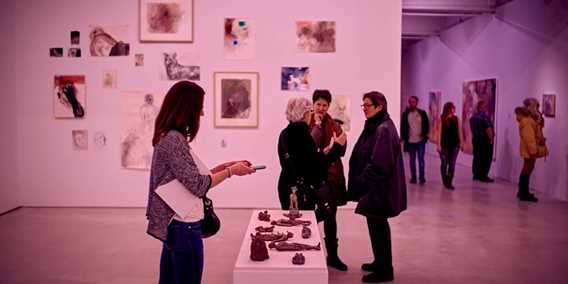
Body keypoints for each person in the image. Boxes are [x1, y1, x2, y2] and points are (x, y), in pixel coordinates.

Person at [146, 81, 256, 284]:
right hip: (184, 227)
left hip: (177, 225)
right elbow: (197, 185)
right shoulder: (173, 140)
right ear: (187, 109)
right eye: (199, 108)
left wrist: (226, 166)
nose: (202, 113)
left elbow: (189, 178)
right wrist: (231, 172)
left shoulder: (171, 137)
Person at [348, 91, 407, 283]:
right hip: (376, 189)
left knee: (379, 226)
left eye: (367, 105)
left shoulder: (384, 129)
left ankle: (385, 270)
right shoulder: (377, 125)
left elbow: (380, 165)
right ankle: (379, 262)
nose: (364, 109)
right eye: (363, 105)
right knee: (375, 225)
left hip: (380, 189)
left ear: (380, 106)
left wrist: (362, 182)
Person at [308, 89, 348, 271]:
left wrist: (340, 142)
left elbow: (342, 145)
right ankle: (306, 253)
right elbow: (309, 146)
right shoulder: (305, 121)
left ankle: (333, 256)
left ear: (329, 106)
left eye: (325, 105)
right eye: (318, 104)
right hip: (311, 177)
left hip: (331, 177)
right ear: (313, 103)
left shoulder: (333, 123)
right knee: (310, 213)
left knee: (331, 216)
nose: (321, 108)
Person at [514, 98, 549, 202]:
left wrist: (540, 120)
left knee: (528, 168)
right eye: (536, 106)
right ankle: (523, 192)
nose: (538, 108)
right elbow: (529, 137)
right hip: (529, 148)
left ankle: (523, 191)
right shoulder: (527, 121)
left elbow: (537, 131)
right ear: (531, 107)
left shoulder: (530, 119)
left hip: (530, 147)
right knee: (527, 168)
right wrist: (533, 150)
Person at [400, 96, 429, 184]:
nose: (412, 103)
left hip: (420, 140)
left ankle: (422, 177)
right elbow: (403, 127)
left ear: (417, 103)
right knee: (412, 160)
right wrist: (402, 138)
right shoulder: (406, 114)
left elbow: (427, 125)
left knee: (421, 160)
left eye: (414, 102)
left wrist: (425, 135)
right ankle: (413, 177)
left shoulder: (422, 113)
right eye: (411, 102)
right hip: (410, 141)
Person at [437, 102, 463, 190]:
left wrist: (461, 143)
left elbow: (459, 132)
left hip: (455, 145)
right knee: (444, 164)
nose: (454, 110)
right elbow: (439, 133)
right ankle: (444, 179)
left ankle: (449, 182)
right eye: (452, 108)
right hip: (444, 145)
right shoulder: (441, 119)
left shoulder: (456, 119)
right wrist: (438, 145)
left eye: (454, 108)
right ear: (448, 109)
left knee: (452, 164)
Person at [470, 100, 495, 182]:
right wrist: (491, 139)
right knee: (486, 158)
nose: (486, 108)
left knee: (477, 157)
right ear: (481, 108)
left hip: (476, 140)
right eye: (484, 107)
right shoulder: (484, 117)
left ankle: (476, 175)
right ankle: (483, 176)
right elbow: (488, 129)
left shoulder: (472, 117)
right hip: (484, 142)